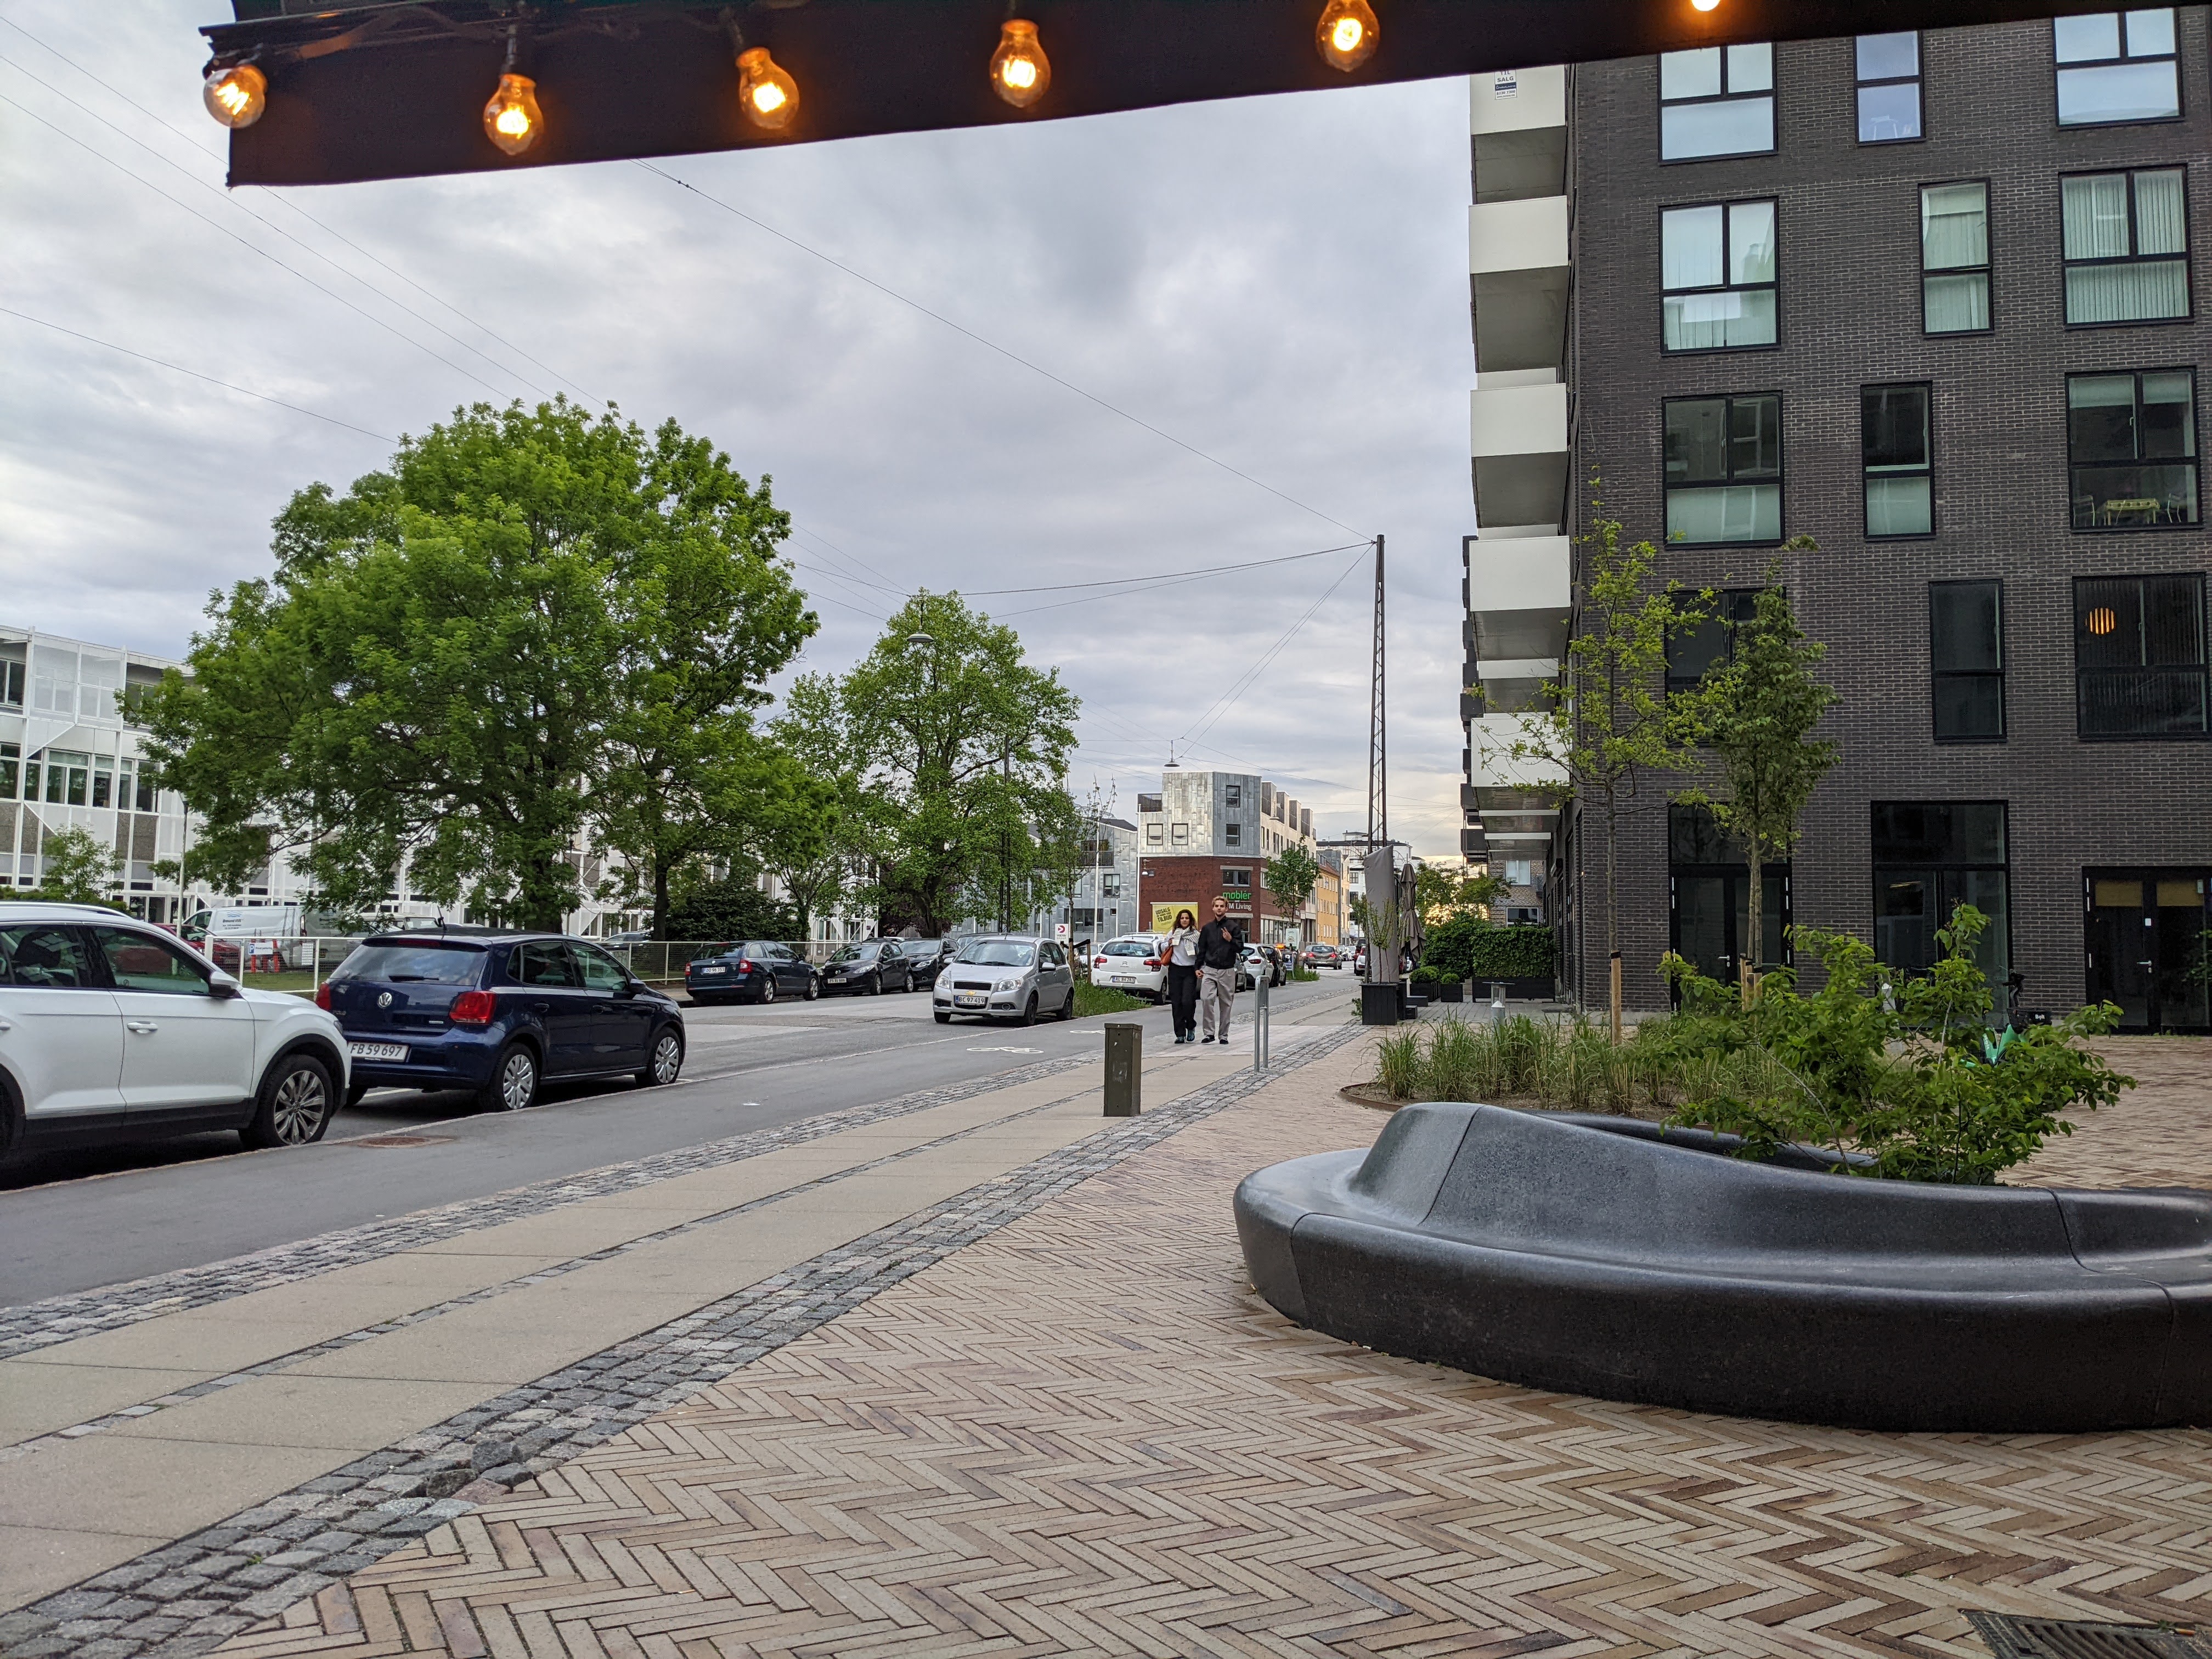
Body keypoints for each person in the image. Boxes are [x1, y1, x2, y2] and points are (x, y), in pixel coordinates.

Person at [1196, 895, 1242, 1044]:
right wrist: (1198, 967)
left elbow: (1240, 948)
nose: (1219, 908)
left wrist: (1230, 940)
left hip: (1227, 970)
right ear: (1213, 908)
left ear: (1226, 908)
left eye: (1222, 906)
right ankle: (1209, 1033)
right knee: (1206, 998)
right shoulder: (1207, 928)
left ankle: (1223, 1035)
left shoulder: (1233, 927)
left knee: (1226, 1003)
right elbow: (1202, 949)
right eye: (1217, 906)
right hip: (1210, 969)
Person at [1161, 909, 1200, 1044]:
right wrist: (1169, 943)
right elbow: (1162, 947)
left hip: (1190, 970)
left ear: (1191, 920)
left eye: (1187, 918)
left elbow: (1201, 951)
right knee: (1176, 1003)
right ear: (1179, 920)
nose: (1184, 920)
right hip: (1175, 970)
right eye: (1182, 918)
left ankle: (1190, 1025)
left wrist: (1196, 948)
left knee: (1187, 1001)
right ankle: (1180, 1034)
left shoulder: (1196, 935)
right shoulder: (1173, 933)